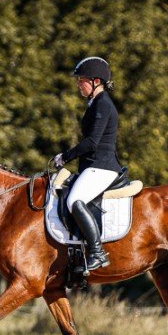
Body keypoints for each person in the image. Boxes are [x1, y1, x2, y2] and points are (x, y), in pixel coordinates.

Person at [53, 57, 122, 271]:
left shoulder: (103, 104)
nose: (78, 84)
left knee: (75, 199)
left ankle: (98, 252)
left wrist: (65, 156)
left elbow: (92, 143)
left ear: (95, 81)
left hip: (102, 166)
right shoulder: (95, 103)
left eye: (81, 80)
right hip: (93, 166)